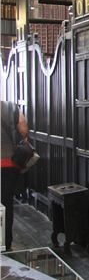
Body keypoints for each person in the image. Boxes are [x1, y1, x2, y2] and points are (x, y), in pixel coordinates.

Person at [1, 101, 29, 250]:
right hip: (9, 163)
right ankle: (6, 241)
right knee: (6, 203)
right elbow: (23, 129)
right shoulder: (11, 107)